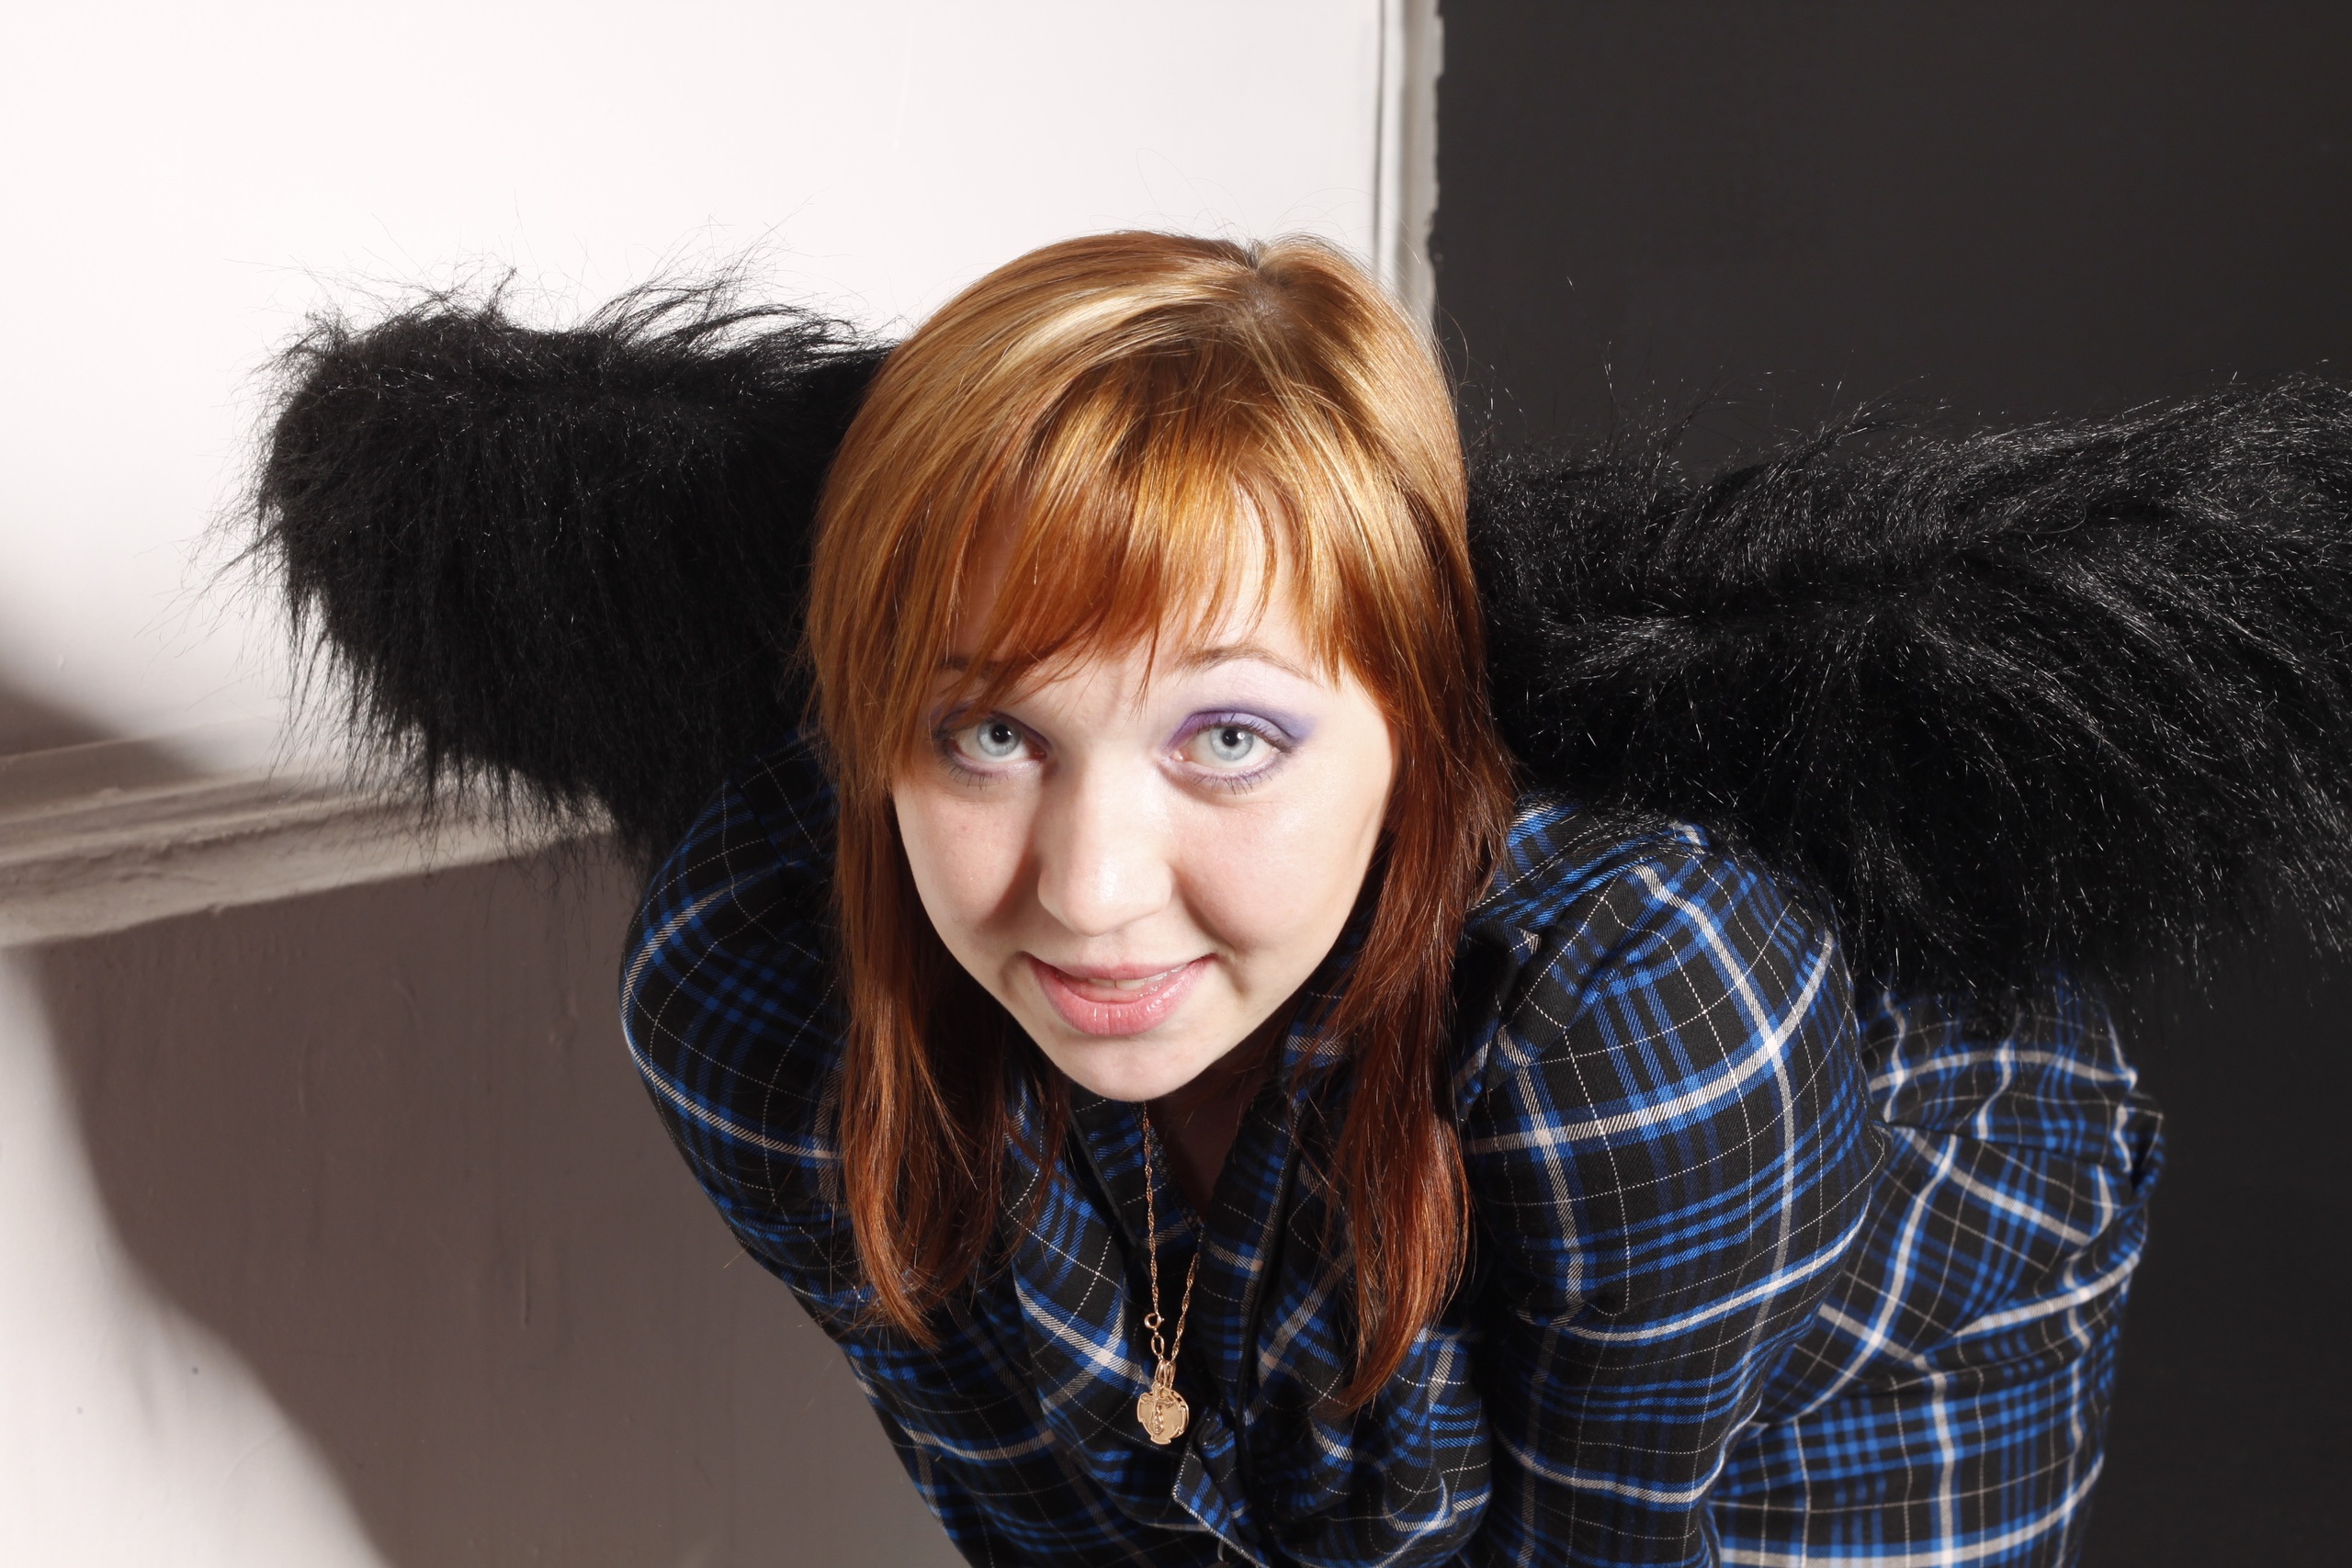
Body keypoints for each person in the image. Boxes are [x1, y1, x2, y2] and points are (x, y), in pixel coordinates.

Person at [254, 231, 2352, 1566]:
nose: (1088, 891)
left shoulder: (1645, 1015)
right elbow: (1049, 1518)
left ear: (1419, 731)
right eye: (986, 733)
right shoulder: (749, 988)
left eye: (1230, 736)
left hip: (1842, 1326)